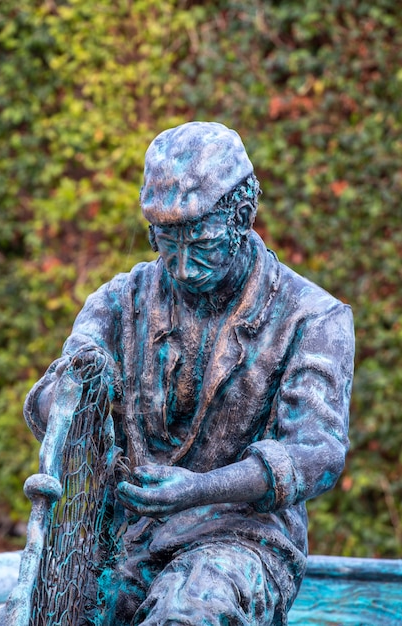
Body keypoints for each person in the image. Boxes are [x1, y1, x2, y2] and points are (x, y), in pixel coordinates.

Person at [24, 122, 354, 625]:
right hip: (125, 537)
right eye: (165, 240)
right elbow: (57, 398)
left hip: (242, 540)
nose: (180, 264)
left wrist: (200, 489)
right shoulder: (119, 301)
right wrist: (71, 398)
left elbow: (317, 453)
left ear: (243, 216)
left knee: (189, 613)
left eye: (199, 240)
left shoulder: (312, 318)